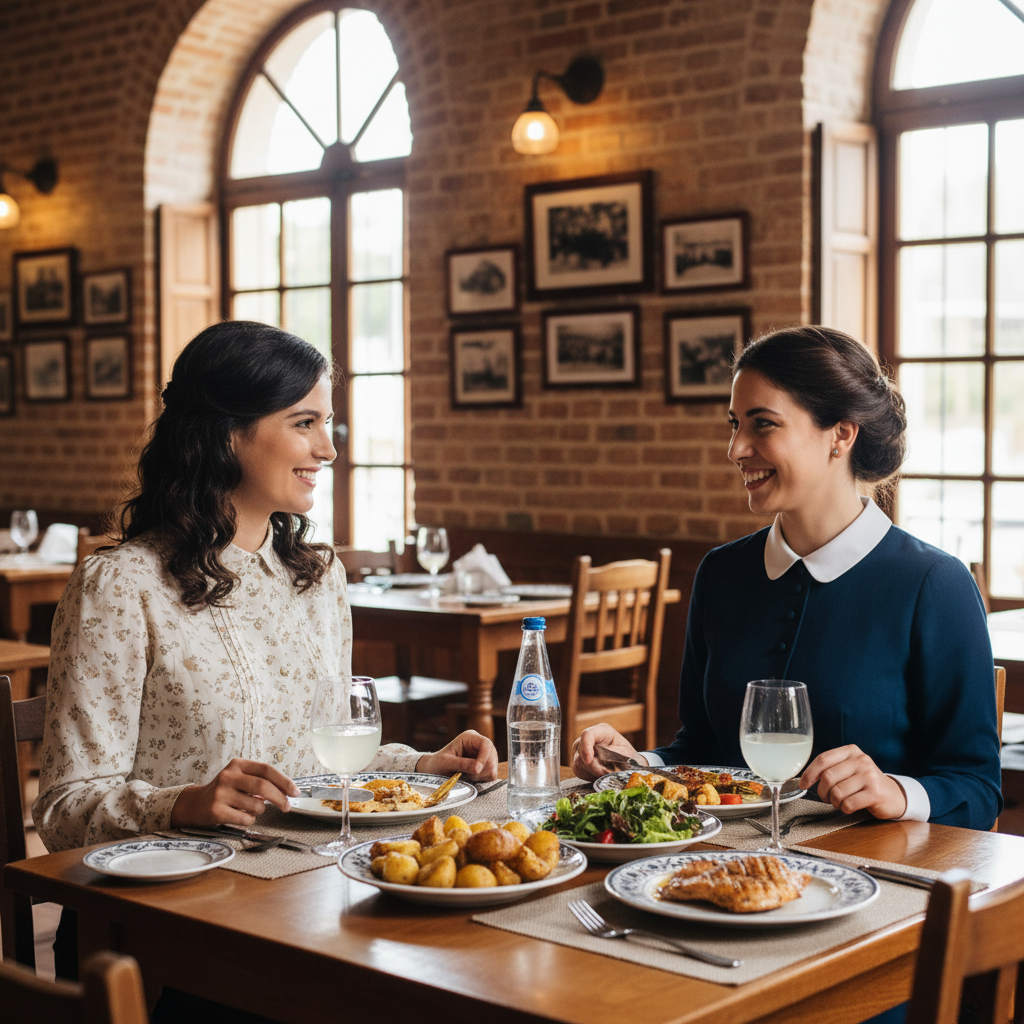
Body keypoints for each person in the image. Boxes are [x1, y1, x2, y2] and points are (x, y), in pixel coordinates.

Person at [34, 319, 497, 852]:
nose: (328, 450)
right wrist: (184, 804)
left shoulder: (318, 579)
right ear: (226, 432)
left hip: (292, 881)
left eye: (328, 423)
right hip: (153, 906)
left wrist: (421, 765)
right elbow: (62, 812)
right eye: (304, 423)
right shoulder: (119, 588)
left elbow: (324, 761)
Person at [572, 325, 1002, 833]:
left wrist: (895, 790)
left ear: (841, 434)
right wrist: (638, 765)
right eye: (735, 425)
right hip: (719, 868)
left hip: (872, 883)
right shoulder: (721, 572)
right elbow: (702, 749)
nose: (735, 448)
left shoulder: (934, 584)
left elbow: (978, 790)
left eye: (763, 425)